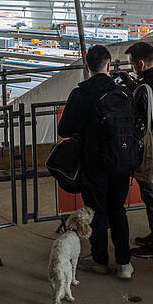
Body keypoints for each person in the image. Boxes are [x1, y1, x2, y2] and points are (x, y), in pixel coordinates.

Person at [58, 45, 135, 280]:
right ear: (109, 65)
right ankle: (125, 264)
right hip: (121, 161)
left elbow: (64, 129)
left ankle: (100, 261)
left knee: (97, 212)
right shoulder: (122, 92)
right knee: (118, 210)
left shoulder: (80, 94)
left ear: (86, 66)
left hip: (93, 164)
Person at [118, 41, 153, 259]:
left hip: (150, 148)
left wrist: (129, 89)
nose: (132, 67)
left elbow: (138, 114)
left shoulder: (143, 89)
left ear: (141, 63)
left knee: (152, 195)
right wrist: (135, 83)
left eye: (132, 64)